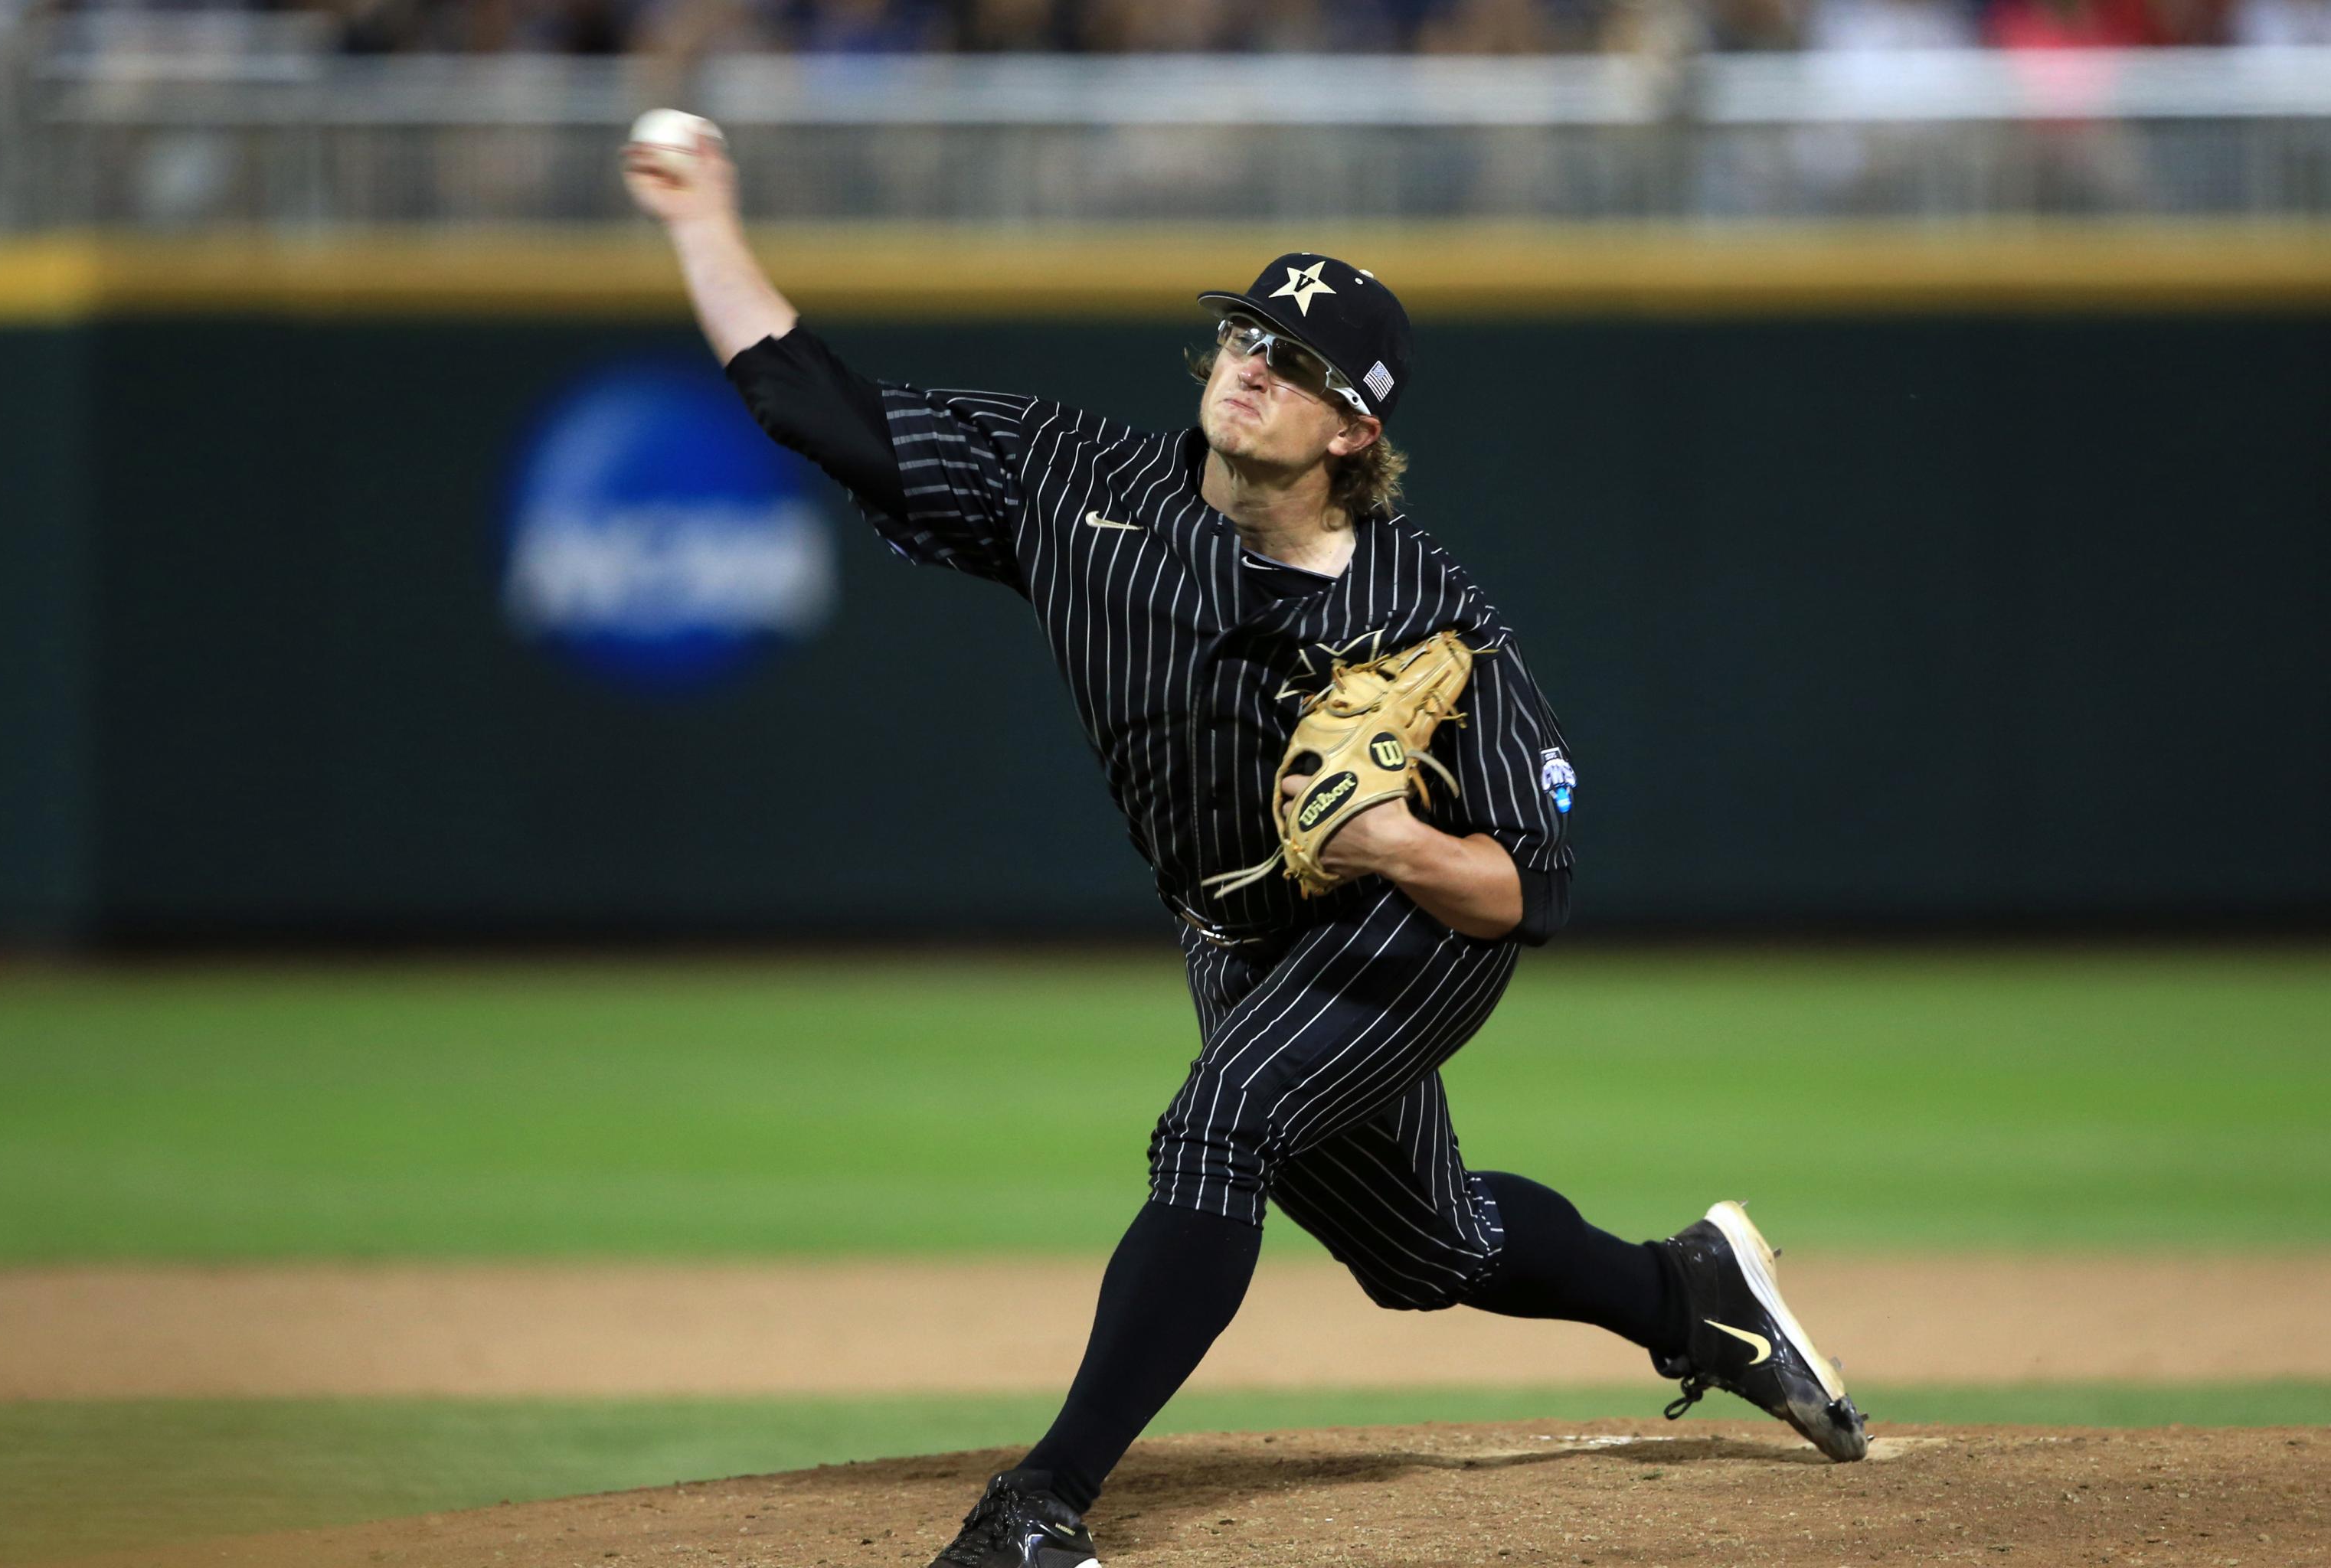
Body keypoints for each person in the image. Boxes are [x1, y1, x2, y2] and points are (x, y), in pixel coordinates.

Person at [623, 132, 1868, 1568]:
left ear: (1354, 432)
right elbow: (805, 398)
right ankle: (1687, 1293)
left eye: (1295, 361)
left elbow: (1532, 888)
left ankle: (1044, 1504)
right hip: (1234, 929)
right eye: (1244, 331)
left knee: (1218, 1127)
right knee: (1428, 1253)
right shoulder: (1077, 484)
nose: (1251, 362)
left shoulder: (1426, 613)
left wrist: (1395, 840)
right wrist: (704, 219)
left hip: (1412, 927)